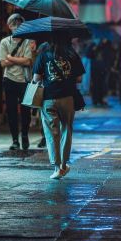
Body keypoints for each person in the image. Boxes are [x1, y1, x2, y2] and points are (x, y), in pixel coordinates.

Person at [32, 36, 84, 180]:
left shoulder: (43, 54)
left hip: (48, 98)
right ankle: (63, 165)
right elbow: (79, 78)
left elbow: (36, 78)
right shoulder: (72, 55)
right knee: (66, 128)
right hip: (68, 97)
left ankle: (57, 167)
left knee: (51, 132)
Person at [0, 13, 33, 150]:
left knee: (26, 111)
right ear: (10, 26)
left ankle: (24, 136)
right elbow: (2, 63)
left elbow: (28, 61)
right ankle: (15, 140)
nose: (16, 27)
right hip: (9, 80)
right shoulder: (4, 42)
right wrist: (20, 60)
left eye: (19, 25)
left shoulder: (28, 41)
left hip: (24, 81)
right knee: (11, 111)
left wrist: (10, 58)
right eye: (14, 25)